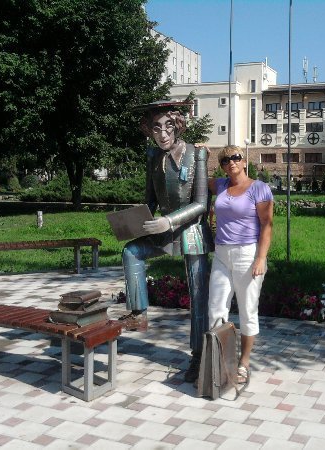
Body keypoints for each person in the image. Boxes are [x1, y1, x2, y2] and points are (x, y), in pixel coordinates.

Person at [122, 100, 214, 383]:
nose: (162, 134)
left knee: (198, 295)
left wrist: (169, 221)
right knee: (131, 251)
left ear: (178, 126)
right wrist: (136, 221)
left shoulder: (196, 154)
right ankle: (138, 313)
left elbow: (201, 203)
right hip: (163, 231)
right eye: (156, 128)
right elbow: (150, 200)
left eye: (168, 126)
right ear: (149, 130)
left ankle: (199, 355)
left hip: (192, 232)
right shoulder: (152, 156)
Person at [207, 145, 273, 386]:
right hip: (222, 254)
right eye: (225, 160)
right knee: (216, 309)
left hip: (248, 254)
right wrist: (201, 153)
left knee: (247, 311)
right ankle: (220, 361)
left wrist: (261, 258)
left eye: (235, 157)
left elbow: (267, 225)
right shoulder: (221, 185)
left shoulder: (259, 188)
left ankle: (243, 363)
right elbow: (198, 177)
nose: (231, 162)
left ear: (244, 161)